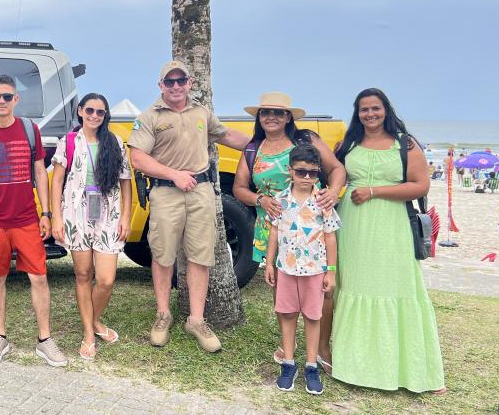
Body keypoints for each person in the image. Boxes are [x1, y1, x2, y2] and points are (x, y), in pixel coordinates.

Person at [129, 60, 250, 352]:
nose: (175, 86)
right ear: (161, 86)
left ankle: (196, 320)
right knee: (162, 254)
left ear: (189, 82)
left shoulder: (201, 113)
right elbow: (138, 158)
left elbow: (228, 136)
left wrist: (267, 145)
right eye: (169, 82)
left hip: (201, 192)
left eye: (180, 80)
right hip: (166, 193)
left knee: (200, 255)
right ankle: (163, 314)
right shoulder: (150, 117)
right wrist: (174, 175)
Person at [330, 88, 445, 393]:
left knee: (396, 284)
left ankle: (407, 368)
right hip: (352, 225)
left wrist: (374, 191)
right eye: (364, 109)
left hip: (390, 224)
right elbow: (332, 173)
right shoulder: (350, 144)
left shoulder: (405, 144)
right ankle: (354, 364)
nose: (370, 114)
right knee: (354, 284)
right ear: (358, 113)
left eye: (375, 108)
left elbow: (420, 186)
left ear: (386, 110)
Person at [0, 74, 68, 367]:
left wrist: (45, 213)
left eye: (7, 96)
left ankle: (45, 340)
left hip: (25, 220)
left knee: (40, 277)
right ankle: (0, 337)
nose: (2, 102)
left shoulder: (29, 130)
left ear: (16, 99)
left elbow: (40, 174)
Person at [232, 92, 346, 368]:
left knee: (322, 291)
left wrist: (331, 191)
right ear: (259, 117)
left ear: (288, 117)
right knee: (283, 293)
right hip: (273, 229)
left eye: (278, 112)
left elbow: (337, 169)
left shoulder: (305, 140)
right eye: (265, 112)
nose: (271, 116)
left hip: (313, 228)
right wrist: (260, 199)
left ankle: (322, 348)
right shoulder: (253, 149)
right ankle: (289, 348)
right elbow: (239, 188)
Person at [50, 93, 132, 361]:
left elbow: (125, 181)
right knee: (83, 275)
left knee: (106, 279)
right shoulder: (69, 142)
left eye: (100, 112)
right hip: (76, 213)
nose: (95, 116)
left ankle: (94, 319)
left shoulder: (114, 142)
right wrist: (56, 218)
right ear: (80, 111)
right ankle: (89, 331)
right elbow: (57, 181)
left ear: (106, 115)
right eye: (90, 110)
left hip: (108, 213)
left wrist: (126, 217)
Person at [264, 144, 339, 395]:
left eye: (313, 173)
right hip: (286, 269)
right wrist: (270, 262)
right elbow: (274, 231)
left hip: (315, 271)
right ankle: (288, 363)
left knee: (312, 316)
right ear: (290, 171)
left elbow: (330, 237)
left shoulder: (322, 202)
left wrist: (331, 271)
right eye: (301, 172)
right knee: (286, 314)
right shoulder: (280, 200)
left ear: (318, 174)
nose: (307, 177)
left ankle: (310, 366)